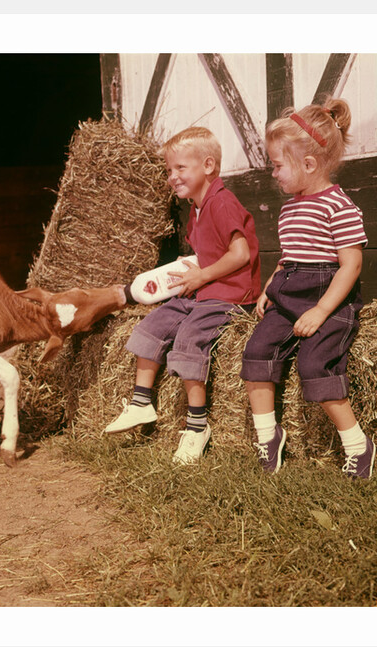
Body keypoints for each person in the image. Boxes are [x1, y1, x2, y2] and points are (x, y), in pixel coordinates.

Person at [105, 126, 261, 464]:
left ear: (208, 166)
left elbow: (240, 255)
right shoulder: (196, 207)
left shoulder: (223, 203)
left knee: (189, 338)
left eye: (180, 168)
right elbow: (208, 252)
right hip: (203, 289)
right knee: (153, 324)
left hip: (230, 295)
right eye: (168, 170)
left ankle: (196, 427)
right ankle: (141, 402)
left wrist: (202, 275)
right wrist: (187, 269)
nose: (172, 177)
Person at [240, 98, 375, 479]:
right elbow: (289, 258)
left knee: (314, 363)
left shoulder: (339, 206)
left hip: (329, 295)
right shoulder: (289, 209)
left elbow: (351, 265)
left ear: (309, 164)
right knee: (256, 351)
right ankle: (269, 436)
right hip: (289, 291)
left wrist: (321, 311)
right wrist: (270, 287)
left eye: (278, 165)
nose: (274, 174)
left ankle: (357, 444)